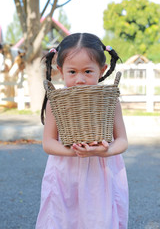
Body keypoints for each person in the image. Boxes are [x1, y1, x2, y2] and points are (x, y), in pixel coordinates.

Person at [36, 33, 128, 229]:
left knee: (98, 218)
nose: (80, 79)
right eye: (72, 72)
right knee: (63, 217)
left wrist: (104, 151)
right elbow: (48, 143)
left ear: (102, 69)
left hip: (100, 170)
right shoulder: (56, 102)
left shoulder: (109, 100)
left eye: (88, 71)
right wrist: (76, 152)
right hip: (65, 171)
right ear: (60, 70)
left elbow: (122, 140)